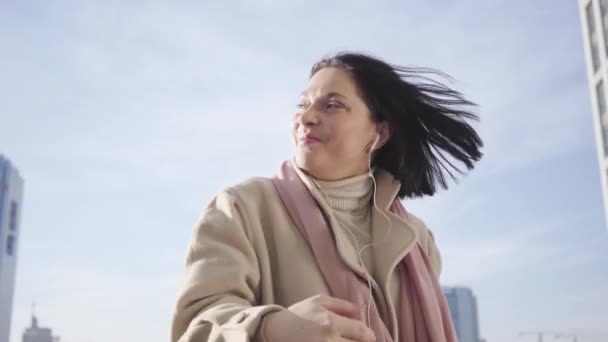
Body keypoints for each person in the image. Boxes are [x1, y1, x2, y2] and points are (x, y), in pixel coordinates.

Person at [171, 52, 483, 342]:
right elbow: (196, 326)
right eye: (302, 105)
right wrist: (270, 329)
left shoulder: (417, 239)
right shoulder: (241, 208)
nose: (307, 118)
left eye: (332, 105)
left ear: (379, 134)